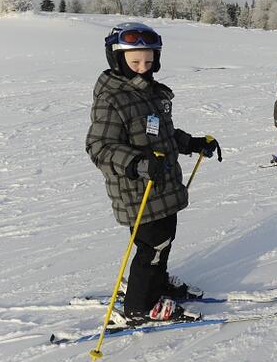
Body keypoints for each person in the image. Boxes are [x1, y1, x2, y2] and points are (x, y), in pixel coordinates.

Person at [86, 22, 222, 324]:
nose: (142, 68)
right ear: (118, 59)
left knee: (164, 240)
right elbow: (99, 147)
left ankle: (157, 285)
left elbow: (163, 134)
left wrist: (192, 143)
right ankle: (139, 305)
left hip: (161, 187)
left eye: (149, 61)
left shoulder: (149, 93)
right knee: (152, 246)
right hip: (137, 190)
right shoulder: (113, 98)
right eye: (135, 62)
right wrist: (137, 163)